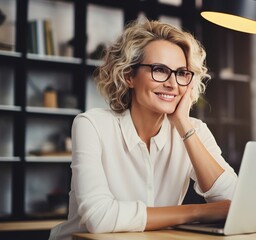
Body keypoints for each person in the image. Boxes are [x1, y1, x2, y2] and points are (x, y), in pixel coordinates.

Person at [49, 19, 238, 240]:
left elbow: (235, 202)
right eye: (159, 70)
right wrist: (199, 211)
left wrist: (183, 125)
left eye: (181, 73)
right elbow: (99, 217)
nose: (173, 84)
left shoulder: (194, 130)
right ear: (129, 76)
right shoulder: (92, 125)